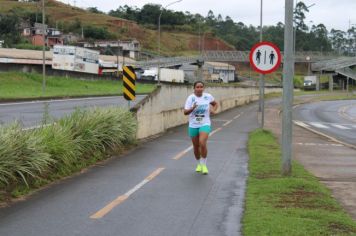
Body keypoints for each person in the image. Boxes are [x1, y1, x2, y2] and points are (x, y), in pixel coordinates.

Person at [184, 81, 218, 175]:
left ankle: (204, 165)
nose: (199, 89)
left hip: (205, 123)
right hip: (193, 125)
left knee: (202, 142)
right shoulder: (191, 98)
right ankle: (199, 164)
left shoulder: (208, 96)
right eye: (197, 87)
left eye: (201, 87)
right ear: (194, 88)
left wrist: (213, 110)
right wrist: (192, 108)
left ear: (203, 88)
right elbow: (185, 112)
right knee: (195, 146)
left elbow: (215, 104)